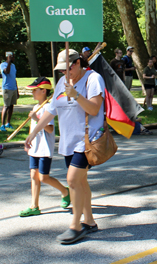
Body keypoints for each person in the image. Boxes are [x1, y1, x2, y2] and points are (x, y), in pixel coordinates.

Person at [25, 49, 104, 244]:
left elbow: (94, 109)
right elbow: (50, 112)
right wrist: (33, 133)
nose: (64, 73)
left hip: (87, 139)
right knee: (81, 182)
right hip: (68, 141)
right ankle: (90, 222)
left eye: (67, 69)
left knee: (73, 180)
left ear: (77, 63)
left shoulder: (93, 79)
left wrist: (76, 95)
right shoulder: (62, 82)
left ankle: (76, 226)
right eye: (61, 71)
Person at [20, 77, 70, 217]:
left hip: (44, 148)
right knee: (33, 176)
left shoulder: (48, 108)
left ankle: (65, 191)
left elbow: (49, 129)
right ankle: (34, 206)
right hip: (35, 147)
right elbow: (33, 129)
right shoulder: (36, 107)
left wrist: (37, 119)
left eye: (34, 90)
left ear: (43, 91)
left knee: (43, 177)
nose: (32, 93)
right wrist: (28, 141)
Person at [0, 51, 19, 131]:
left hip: (13, 88)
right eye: (12, 57)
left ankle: (8, 123)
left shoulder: (13, 65)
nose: (14, 58)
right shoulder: (3, 65)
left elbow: (14, 78)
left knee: (11, 106)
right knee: (6, 106)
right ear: (9, 57)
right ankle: (2, 125)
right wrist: (8, 61)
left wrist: (17, 90)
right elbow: (6, 72)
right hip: (7, 88)